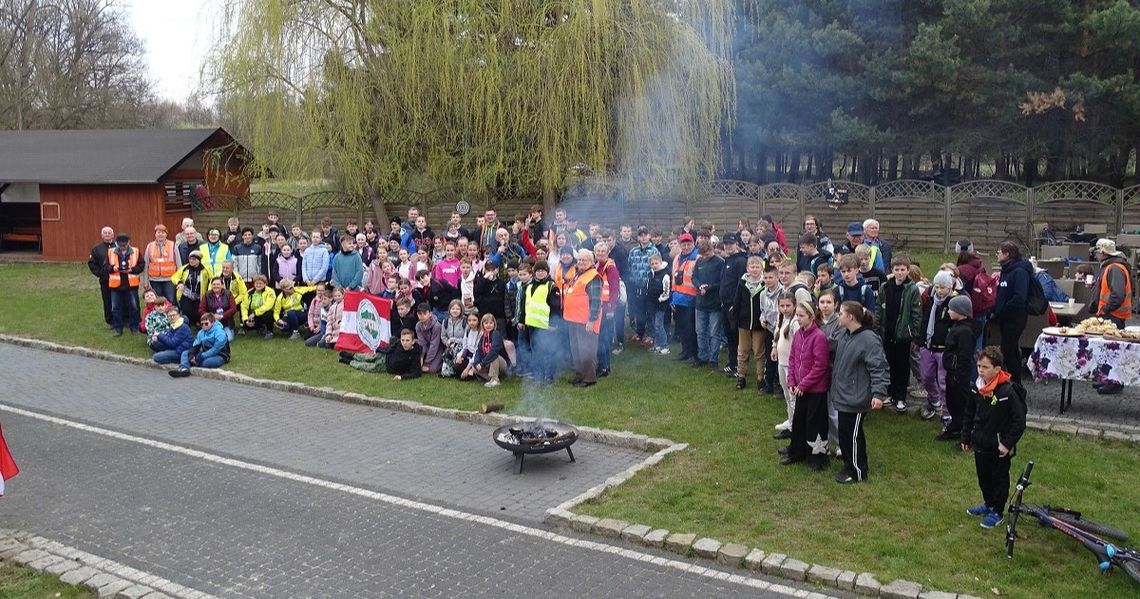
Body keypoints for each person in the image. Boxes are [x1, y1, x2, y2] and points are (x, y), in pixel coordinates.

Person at [961, 346, 1027, 529]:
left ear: (997, 369)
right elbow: (969, 413)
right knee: (983, 477)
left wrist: (1006, 443)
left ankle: (997, 510)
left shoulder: (1007, 392)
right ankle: (988, 502)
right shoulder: (977, 388)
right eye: (978, 366)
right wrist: (966, 436)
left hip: (999, 447)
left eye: (985, 367)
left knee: (999, 478)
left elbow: (1019, 421)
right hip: (980, 442)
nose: (980, 370)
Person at [831, 301, 889, 484]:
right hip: (843, 394)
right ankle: (849, 464)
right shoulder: (845, 334)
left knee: (853, 436)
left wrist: (878, 394)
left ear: (851, 317)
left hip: (856, 397)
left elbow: (879, 368)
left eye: (840, 313)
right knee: (845, 434)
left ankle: (857, 471)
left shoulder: (869, 339)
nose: (837, 315)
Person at [783, 300, 832, 471]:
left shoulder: (818, 337)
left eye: (802, 316)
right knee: (799, 421)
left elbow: (820, 366)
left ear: (811, 317)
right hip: (800, 389)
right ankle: (798, 451)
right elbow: (793, 359)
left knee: (815, 423)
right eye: (797, 315)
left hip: (815, 390)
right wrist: (791, 381)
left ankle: (817, 456)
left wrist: (802, 385)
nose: (798, 319)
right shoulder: (798, 334)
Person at [877, 255, 921, 413]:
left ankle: (901, 397)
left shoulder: (912, 289)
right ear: (892, 270)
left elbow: (916, 313)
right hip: (887, 332)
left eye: (903, 270)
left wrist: (915, 335)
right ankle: (890, 393)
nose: (900, 273)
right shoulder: (885, 287)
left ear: (908, 271)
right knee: (889, 364)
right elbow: (879, 309)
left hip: (903, 335)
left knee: (902, 366)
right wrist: (878, 328)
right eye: (897, 269)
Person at [1089, 238, 1134, 394]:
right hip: (1113, 314)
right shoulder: (1112, 266)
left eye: (1097, 252)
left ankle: (1114, 383)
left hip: (1114, 315)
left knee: (1113, 350)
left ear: (1103, 252)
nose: (1095, 255)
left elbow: (1118, 294)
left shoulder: (1113, 268)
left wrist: (1104, 310)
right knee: (1108, 349)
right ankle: (1107, 379)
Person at [917, 270, 958, 421]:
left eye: (943, 287)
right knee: (926, 376)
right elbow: (925, 320)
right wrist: (921, 341)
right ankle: (934, 400)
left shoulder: (953, 302)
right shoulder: (930, 300)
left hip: (943, 349)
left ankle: (947, 412)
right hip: (928, 346)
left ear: (950, 287)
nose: (939, 291)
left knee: (944, 382)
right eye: (937, 287)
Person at [991, 241, 1032, 384]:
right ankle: (1014, 381)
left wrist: (1002, 310)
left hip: (1015, 317)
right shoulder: (1006, 270)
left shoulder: (1019, 272)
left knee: (1008, 351)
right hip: (1005, 317)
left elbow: (1019, 297)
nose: (997, 254)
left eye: (999, 251)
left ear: (1007, 254)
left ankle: (1016, 384)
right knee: (1011, 349)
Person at [563, 249, 603, 388]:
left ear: (592, 262)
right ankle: (579, 374)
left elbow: (596, 301)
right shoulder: (578, 274)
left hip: (585, 321)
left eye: (584, 260)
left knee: (587, 350)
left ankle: (589, 378)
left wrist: (592, 320)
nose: (580, 262)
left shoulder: (593, 277)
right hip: (574, 319)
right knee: (576, 349)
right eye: (579, 259)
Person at [941, 295, 978, 441]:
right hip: (952, 372)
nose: (949, 311)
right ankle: (955, 426)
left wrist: (959, 375)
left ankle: (965, 432)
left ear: (960, 311)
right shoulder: (957, 327)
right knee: (952, 401)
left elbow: (964, 356)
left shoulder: (965, 332)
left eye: (951, 309)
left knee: (961, 402)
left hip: (959, 375)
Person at [732, 256, 766, 391]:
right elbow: (737, 302)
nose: (755, 269)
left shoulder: (764, 283)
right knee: (742, 351)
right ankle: (741, 376)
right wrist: (735, 319)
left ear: (761, 268)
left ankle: (760, 378)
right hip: (744, 323)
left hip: (759, 325)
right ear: (747, 269)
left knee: (759, 351)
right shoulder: (742, 283)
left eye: (757, 267)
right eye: (752, 267)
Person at [168, 313, 231, 377]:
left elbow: (215, 350)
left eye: (206, 323)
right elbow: (195, 346)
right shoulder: (201, 332)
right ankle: (184, 369)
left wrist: (200, 357)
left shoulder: (220, 333)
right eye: (202, 324)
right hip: (205, 353)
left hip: (220, 355)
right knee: (185, 353)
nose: (204, 326)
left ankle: (192, 363)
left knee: (206, 363)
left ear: (212, 323)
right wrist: (191, 355)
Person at [627, 227, 660, 345]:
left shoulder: (654, 251)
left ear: (649, 236)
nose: (643, 237)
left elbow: (658, 268)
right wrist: (632, 282)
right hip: (637, 286)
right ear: (638, 237)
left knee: (650, 311)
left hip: (650, 287)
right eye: (641, 235)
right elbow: (629, 267)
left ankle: (651, 335)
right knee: (639, 311)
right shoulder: (633, 251)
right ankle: (640, 333)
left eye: (645, 235)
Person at [593, 242, 622, 377]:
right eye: (597, 251)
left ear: (608, 252)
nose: (600, 253)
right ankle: (603, 365)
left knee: (603, 338)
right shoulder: (597, 266)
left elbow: (615, 289)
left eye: (602, 251)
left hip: (606, 308)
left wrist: (611, 308)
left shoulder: (610, 268)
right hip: (598, 307)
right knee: (599, 338)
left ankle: (604, 367)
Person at [106, 233, 144, 336]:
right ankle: (118, 328)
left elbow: (141, 266)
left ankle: (134, 327)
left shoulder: (136, 251)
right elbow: (105, 267)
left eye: (124, 245)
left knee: (134, 307)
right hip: (115, 286)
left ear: (128, 242)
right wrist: (112, 268)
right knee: (115, 308)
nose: (122, 247)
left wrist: (132, 270)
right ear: (117, 243)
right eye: (120, 245)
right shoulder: (110, 252)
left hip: (131, 285)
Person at [670, 233, 700, 364]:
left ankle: (693, 353)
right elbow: (673, 279)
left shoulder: (697, 258)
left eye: (689, 244)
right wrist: (672, 297)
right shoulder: (677, 257)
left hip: (691, 298)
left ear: (693, 244)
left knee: (691, 329)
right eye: (684, 244)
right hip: (677, 298)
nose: (686, 247)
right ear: (680, 245)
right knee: (681, 328)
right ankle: (685, 351)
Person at [772, 292, 798, 437]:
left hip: (791, 365)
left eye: (788, 305)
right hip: (782, 363)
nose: (785, 308)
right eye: (782, 305)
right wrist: (774, 347)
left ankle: (795, 427)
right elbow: (777, 336)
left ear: (794, 306)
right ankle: (790, 421)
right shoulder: (781, 319)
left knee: (792, 397)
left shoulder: (795, 322)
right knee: (787, 396)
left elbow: (798, 345)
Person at [758, 264, 784, 396]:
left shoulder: (783, 292)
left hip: (780, 329)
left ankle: (780, 384)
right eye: (766, 277)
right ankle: (769, 384)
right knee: (769, 356)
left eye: (771, 277)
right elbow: (762, 310)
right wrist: (762, 319)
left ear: (777, 277)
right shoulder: (763, 294)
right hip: (768, 329)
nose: (768, 280)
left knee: (781, 357)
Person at [141, 225, 181, 305]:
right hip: (154, 280)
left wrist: (179, 280)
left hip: (170, 279)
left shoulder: (173, 245)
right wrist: (145, 281)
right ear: (155, 234)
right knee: (158, 301)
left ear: (166, 234)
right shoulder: (150, 246)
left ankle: (172, 315)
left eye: (163, 232)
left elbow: (178, 263)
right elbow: (146, 265)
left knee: (171, 300)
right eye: (158, 232)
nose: (160, 234)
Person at [468, 314, 510, 388]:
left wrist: (482, 364)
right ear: (482, 325)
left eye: (491, 323)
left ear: (494, 324)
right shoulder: (483, 336)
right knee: (474, 368)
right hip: (488, 363)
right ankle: (491, 379)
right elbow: (479, 351)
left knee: (493, 356)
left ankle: (495, 380)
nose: (488, 325)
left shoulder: (496, 334)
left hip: (501, 362)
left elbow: (494, 351)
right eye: (486, 323)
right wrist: (477, 363)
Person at [87, 226, 118, 328]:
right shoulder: (96, 249)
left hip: (118, 278)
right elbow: (92, 263)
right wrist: (100, 273)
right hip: (105, 280)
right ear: (102, 235)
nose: (107, 234)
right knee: (107, 300)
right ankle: (110, 320)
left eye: (109, 233)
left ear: (113, 235)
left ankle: (121, 318)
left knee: (119, 300)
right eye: (105, 233)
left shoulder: (118, 246)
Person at [200, 276, 238, 340]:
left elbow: (233, 309)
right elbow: (201, 310)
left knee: (229, 338)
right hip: (211, 322)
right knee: (207, 339)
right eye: (214, 284)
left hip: (226, 322)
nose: (216, 286)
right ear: (211, 285)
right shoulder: (207, 295)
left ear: (222, 285)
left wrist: (222, 316)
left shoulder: (228, 294)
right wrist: (212, 316)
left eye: (218, 284)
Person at [414, 303, 443, 374]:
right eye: (419, 314)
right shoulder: (418, 325)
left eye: (424, 313)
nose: (422, 316)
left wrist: (426, 362)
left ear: (430, 314)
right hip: (426, 347)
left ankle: (442, 363)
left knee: (432, 369)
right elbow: (422, 343)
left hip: (438, 348)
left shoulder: (437, 326)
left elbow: (434, 345)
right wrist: (421, 357)